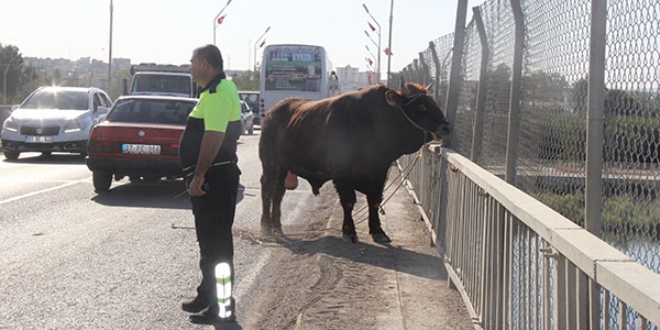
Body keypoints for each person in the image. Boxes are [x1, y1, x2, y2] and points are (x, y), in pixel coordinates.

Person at [178, 44, 242, 324]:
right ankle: (207, 294)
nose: (188, 66)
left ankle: (223, 307)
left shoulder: (218, 92)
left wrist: (199, 176)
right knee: (209, 243)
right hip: (213, 178)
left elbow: (213, 137)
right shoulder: (216, 89)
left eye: (191, 62)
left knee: (217, 247)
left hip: (214, 179)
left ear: (205, 64)